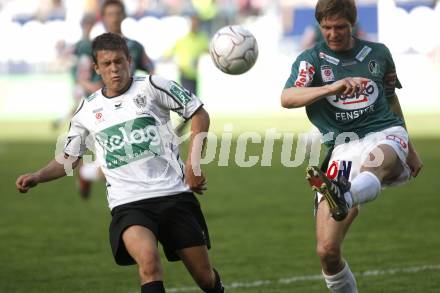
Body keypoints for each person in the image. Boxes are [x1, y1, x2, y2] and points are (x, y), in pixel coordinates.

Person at [16, 32, 225, 293]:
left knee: (205, 279)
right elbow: (69, 158)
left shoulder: (153, 86)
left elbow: (198, 113)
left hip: (174, 195)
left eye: (119, 61)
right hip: (129, 204)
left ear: (129, 60)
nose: (114, 69)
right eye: (106, 64)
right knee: (148, 263)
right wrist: (38, 175)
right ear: (97, 69)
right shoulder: (87, 111)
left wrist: (193, 166)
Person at [281, 0, 423, 292]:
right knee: (327, 252)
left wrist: (410, 147)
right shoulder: (311, 61)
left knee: (375, 163)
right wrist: (332, 86)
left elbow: (391, 99)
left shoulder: (378, 54)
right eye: (327, 27)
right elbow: (288, 97)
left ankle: (345, 195)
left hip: (384, 131)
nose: (333, 33)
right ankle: (343, 195)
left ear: (352, 24)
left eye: (340, 27)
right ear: (320, 26)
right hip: (342, 147)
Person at [77, 0, 156, 198]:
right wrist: (95, 88)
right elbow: (82, 76)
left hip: (130, 108)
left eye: (117, 13)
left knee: (127, 159)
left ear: (124, 16)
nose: (114, 18)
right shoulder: (91, 47)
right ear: (103, 18)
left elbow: (150, 70)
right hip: (101, 110)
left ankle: (88, 174)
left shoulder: (135, 47)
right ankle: (88, 174)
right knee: (119, 161)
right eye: (110, 14)